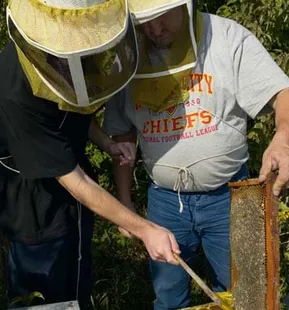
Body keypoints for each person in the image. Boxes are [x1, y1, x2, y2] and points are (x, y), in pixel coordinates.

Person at [103, 0, 289, 309]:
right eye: (142, 22)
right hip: (165, 201)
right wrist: (125, 202)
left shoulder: (226, 37)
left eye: (160, 18)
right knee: (168, 296)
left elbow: (287, 96)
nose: (153, 30)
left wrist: (284, 141)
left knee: (246, 295)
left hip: (232, 195)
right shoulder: (130, 55)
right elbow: (122, 135)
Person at [0, 0, 181, 308]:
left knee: (77, 279)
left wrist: (107, 143)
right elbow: (76, 181)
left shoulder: (65, 52)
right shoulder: (14, 91)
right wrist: (144, 229)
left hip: (68, 190)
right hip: (34, 204)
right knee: (43, 294)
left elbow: (73, 107)